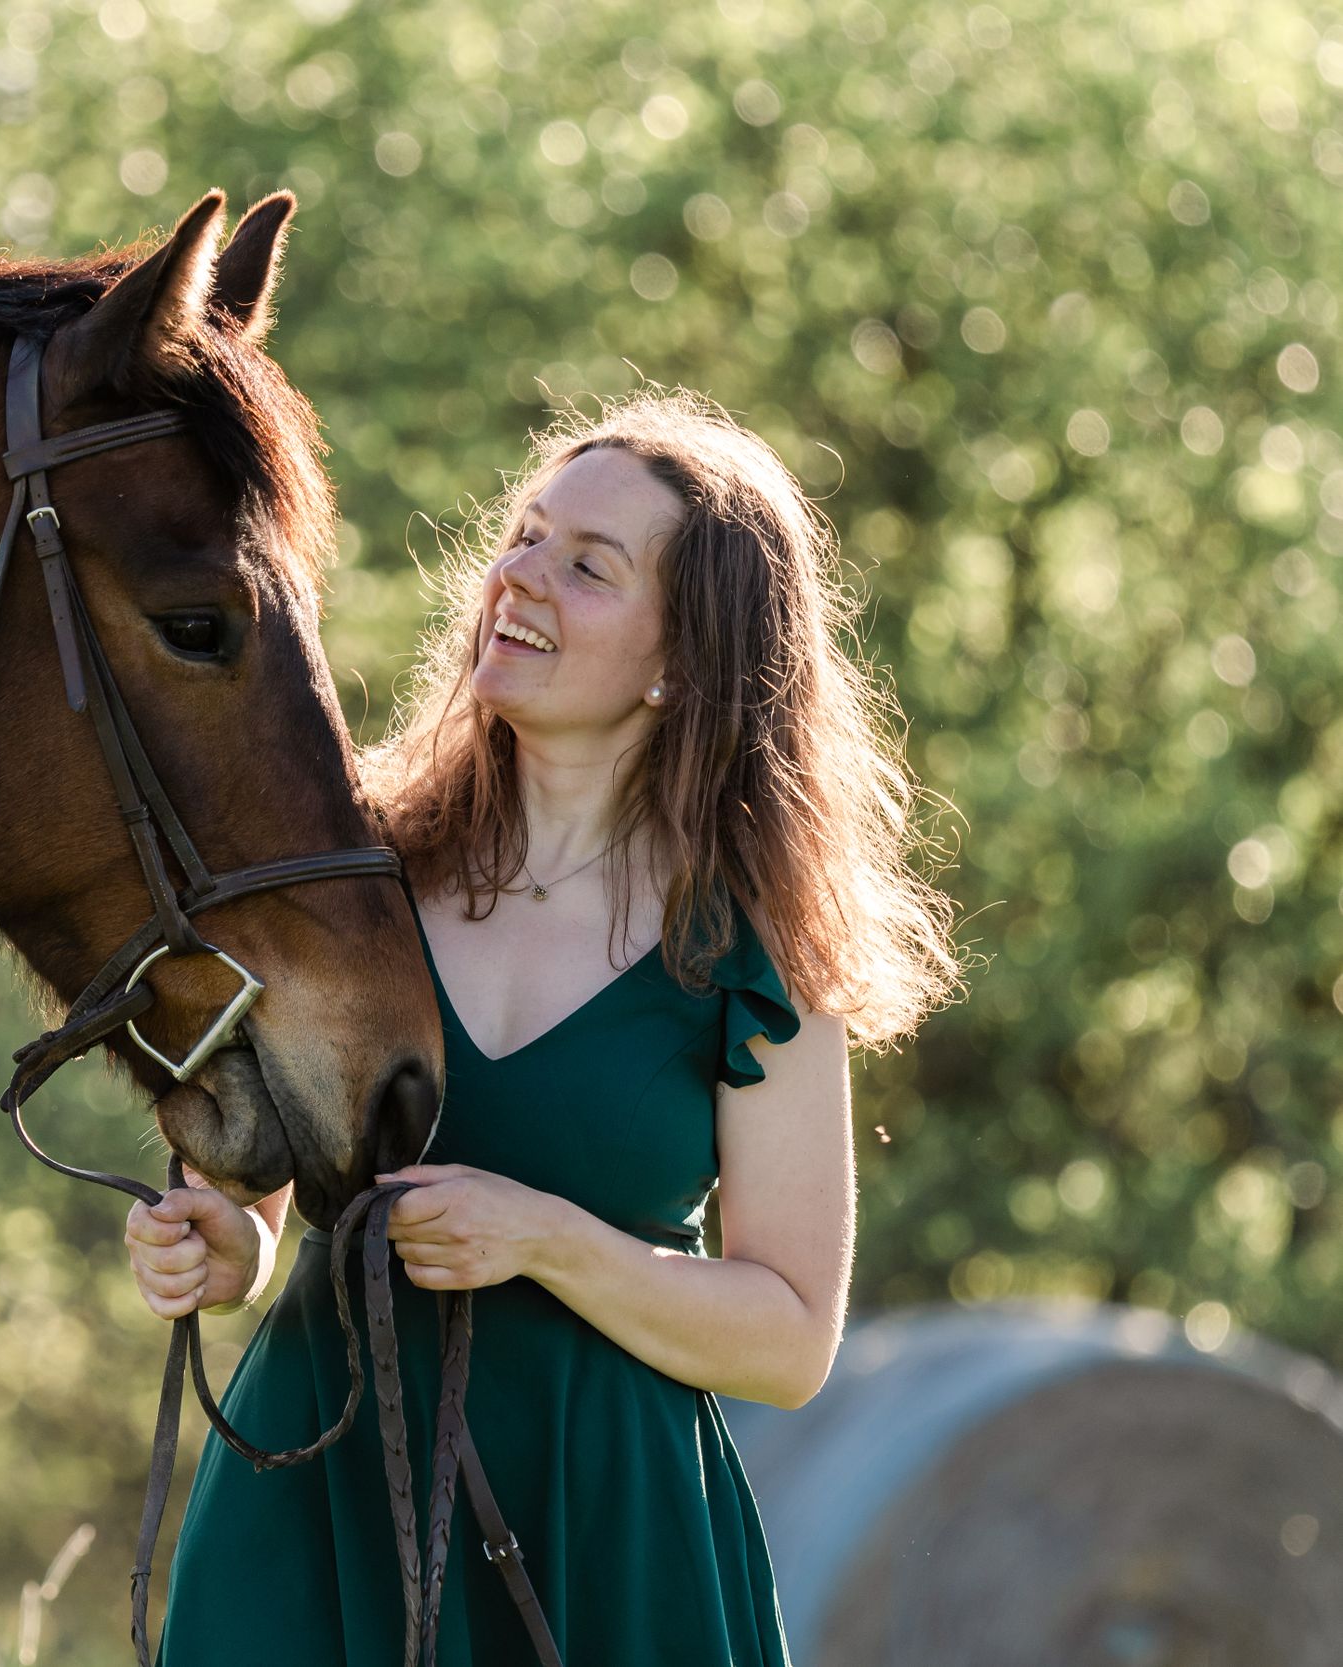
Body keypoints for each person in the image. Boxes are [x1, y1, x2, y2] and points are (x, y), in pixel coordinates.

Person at [133, 389, 963, 1665]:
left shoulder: (756, 955)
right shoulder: (352, 873)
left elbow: (792, 1338)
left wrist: (548, 1241)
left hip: (604, 1537)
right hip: (319, 1490)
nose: (520, 575)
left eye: (588, 564)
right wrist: (221, 1244)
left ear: (683, 658)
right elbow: (252, 1188)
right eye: (525, 535)